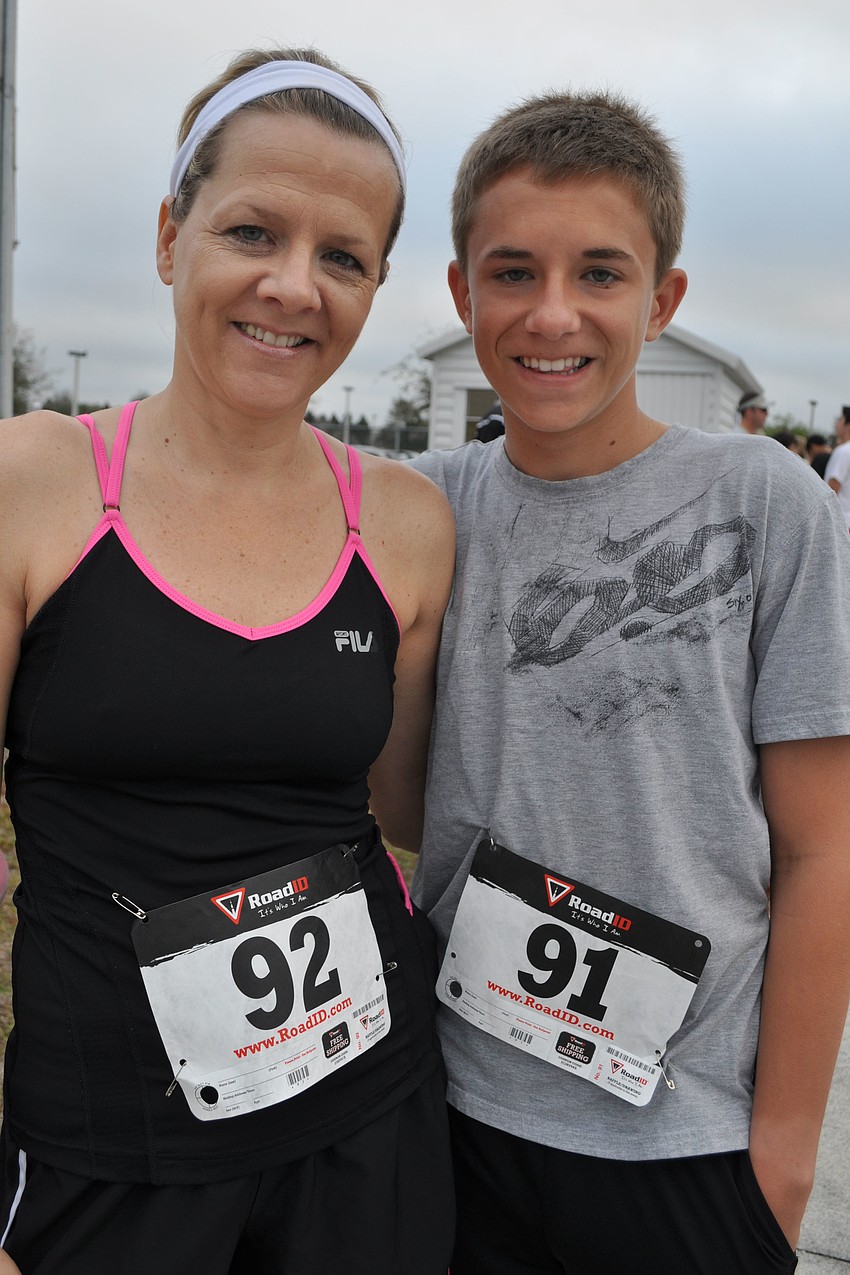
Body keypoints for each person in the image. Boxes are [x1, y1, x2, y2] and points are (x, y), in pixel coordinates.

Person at [0, 47, 456, 1275]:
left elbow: (410, 805)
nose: (293, 287)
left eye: (344, 256)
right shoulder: (35, 483)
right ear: (169, 235)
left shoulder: (407, 523)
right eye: (252, 229)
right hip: (109, 1143)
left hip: (367, 1121)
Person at [396, 88, 850, 1274]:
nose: (554, 315)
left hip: (685, 1139)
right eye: (512, 273)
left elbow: (822, 847)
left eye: (600, 273)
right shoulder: (421, 511)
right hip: (453, 1117)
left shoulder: (763, 499)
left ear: (663, 299)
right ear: (461, 294)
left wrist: (783, 1154)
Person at [824, 407, 850, 528]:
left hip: (841, 522)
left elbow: (833, 487)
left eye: (840, 420)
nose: (836, 424)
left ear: (848, 425)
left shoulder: (843, 451)